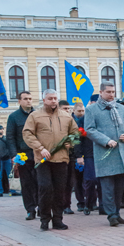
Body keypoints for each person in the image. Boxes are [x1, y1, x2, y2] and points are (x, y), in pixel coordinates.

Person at [23, 89, 79, 231]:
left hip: (61, 159)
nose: (53, 101)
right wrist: (40, 148)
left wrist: (70, 143)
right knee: (45, 188)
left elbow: (75, 133)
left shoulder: (66, 116)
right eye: (50, 98)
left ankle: (58, 219)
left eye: (55, 98)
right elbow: (28, 134)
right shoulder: (35, 116)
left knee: (60, 190)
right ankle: (45, 218)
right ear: (44, 100)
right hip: (43, 160)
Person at [85, 83, 124, 226]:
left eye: (113, 91)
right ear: (101, 92)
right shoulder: (92, 109)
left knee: (119, 187)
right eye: (108, 92)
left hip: (121, 152)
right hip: (105, 152)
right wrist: (106, 141)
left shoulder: (121, 108)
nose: (112, 94)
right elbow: (90, 129)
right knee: (107, 187)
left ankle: (117, 213)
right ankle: (110, 214)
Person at [6, 91, 38, 219]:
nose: (28, 101)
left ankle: (42, 207)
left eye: (30, 98)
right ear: (19, 101)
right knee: (26, 184)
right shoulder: (14, 117)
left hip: (38, 154)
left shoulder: (38, 115)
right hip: (23, 155)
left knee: (41, 182)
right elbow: (10, 137)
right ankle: (30, 209)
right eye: (25, 99)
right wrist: (14, 155)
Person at [70, 102, 86, 211]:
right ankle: (80, 202)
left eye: (83, 111)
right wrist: (78, 155)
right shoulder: (71, 121)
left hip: (87, 153)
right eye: (79, 111)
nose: (81, 113)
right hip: (75, 155)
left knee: (88, 179)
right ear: (74, 111)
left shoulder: (86, 120)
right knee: (77, 180)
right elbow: (74, 140)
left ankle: (89, 201)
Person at [0, 125, 12, 196]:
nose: (2, 130)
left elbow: (10, 147)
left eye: (2, 129)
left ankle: (12, 190)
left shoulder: (5, 138)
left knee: (10, 175)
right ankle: (0, 191)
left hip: (7, 159)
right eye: (0, 129)